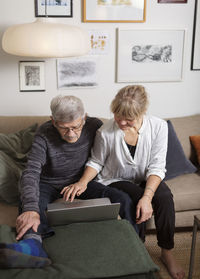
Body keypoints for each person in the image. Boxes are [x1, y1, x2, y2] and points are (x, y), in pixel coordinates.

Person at [0, 95, 136, 269]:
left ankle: (134, 246)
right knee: (30, 206)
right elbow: (31, 172)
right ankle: (32, 248)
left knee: (123, 199)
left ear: (84, 118)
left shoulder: (95, 126)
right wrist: (31, 209)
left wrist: (83, 182)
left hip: (81, 181)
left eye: (75, 127)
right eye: (64, 128)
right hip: (47, 183)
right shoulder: (44, 133)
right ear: (53, 121)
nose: (71, 134)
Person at [65, 86, 185, 279]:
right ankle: (138, 249)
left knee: (164, 197)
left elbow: (157, 167)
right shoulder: (105, 132)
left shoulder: (159, 127)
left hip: (146, 176)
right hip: (115, 178)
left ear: (142, 112)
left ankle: (166, 252)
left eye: (128, 118)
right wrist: (83, 182)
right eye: (117, 115)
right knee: (137, 198)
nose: (120, 121)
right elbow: (96, 161)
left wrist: (149, 196)